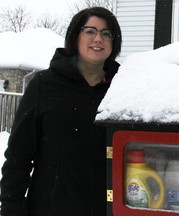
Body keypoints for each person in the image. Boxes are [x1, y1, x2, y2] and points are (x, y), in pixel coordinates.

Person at [0, 6, 122, 216]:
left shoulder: (122, 87)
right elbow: (18, 156)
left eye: (106, 33)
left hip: (109, 209)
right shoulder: (44, 85)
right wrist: (11, 207)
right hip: (51, 207)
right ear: (75, 36)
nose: (98, 39)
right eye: (90, 31)